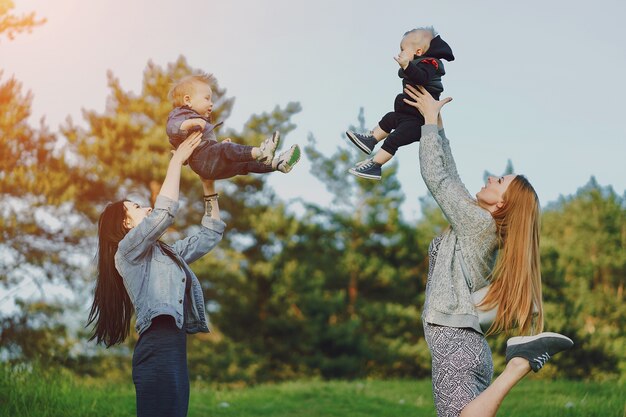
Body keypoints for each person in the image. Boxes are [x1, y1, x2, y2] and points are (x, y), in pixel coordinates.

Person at [403, 84, 573, 417]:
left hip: (456, 343)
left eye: (499, 182)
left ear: (500, 205)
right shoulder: (480, 224)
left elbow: (437, 178)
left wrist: (430, 121)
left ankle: (519, 365)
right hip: (465, 345)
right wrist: (436, 121)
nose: (491, 177)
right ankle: (519, 362)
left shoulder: (479, 224)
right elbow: (449, 174)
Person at [87, 132, 225, 417]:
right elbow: (163, 213)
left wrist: (208, 184)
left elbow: (209, 235)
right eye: (137, 208)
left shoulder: (166, 255)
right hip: (157, 346)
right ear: (125, 223)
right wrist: (176, 162)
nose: (146, 208)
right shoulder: (126, 252)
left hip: (174, 347)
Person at [346, 26, 454, 180]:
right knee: (390, 118)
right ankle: (371, 140)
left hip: (418, 122)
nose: (400, 53)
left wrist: (407, 66)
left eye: (403, 49)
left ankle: (375, 165)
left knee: (393, 139)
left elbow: (421, 78)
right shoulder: (417, 64)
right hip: (407, 115)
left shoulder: (431, 64)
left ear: (418, 52)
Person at [167, 73, 301, 179]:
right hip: (202, 161)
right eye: (206, 98)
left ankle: (277, 164)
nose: (211, 103)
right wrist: (190, 123)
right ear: (188, 100)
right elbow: (172, 128)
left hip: (208, 164)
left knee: (242, 164)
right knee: (227, 149)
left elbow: (204, 144)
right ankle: (261, 152)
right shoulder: (182, 114)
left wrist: (217, 146)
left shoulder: (201, 119)